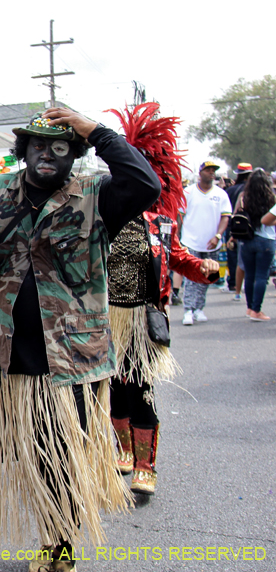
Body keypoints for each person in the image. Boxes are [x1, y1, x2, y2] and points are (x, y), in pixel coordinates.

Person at [0, 108, 160, 571]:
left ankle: (60, 542)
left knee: (63, 453)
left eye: (61, 147)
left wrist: (96, 131)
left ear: (76, 154)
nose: (47, 155)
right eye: (38, 146)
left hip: (72, 357)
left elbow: (146, 184)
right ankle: (52, 530)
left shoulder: (97, 194)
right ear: (23, 151)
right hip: (12, 351)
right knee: (30, 455)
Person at [105, 103, 219, 497]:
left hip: (144, 320)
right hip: (106, 319)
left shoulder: (161, 222)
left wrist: (200, 267)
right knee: (113, 388)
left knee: (141, 391)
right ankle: (121, 450)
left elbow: (178, 257)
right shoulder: (103, 214)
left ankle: (145, 465)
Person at [180, 162, 231, 325]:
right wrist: (177, 239)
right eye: (208, 170)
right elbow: (179, 216)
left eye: (213, 171)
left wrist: (218, 235)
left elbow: (225, 216)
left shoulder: (221, 194)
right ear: (200, 173)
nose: (211, 173)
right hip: (190, 242)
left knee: (208, 276)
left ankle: (199, 308)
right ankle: (188, 309)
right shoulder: (188, 192)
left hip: (211, 243)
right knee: (190, 277)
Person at [237, 169, 276, 321]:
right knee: (261, 276)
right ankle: (256, 310)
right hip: (266, 239)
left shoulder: (244, 197)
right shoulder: (271, 198)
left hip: (247, 239)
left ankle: (249, 308)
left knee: (250, 274)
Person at [224, 162, 253, 298]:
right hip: (247, 228)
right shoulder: (251, 191)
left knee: (232, 256)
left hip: (231, 226)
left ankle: (233, 283)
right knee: (244, 258)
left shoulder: (230, 190)